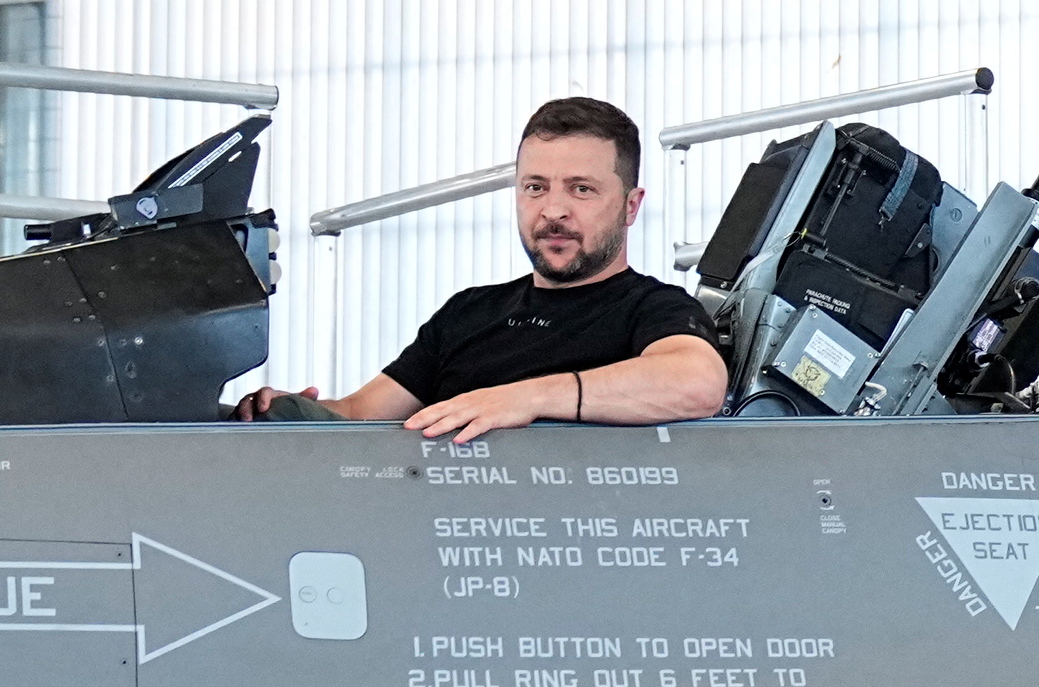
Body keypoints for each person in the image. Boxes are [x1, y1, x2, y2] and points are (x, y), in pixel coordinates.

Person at [243, 96, 730, 440]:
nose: (553, 210)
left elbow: (697, 383)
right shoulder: (469, 312)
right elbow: (360, 414)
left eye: (582, 189)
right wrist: (288, 410)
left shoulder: (652, 307)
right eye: (535, 187)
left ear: (630, 205)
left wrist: (528, 399)